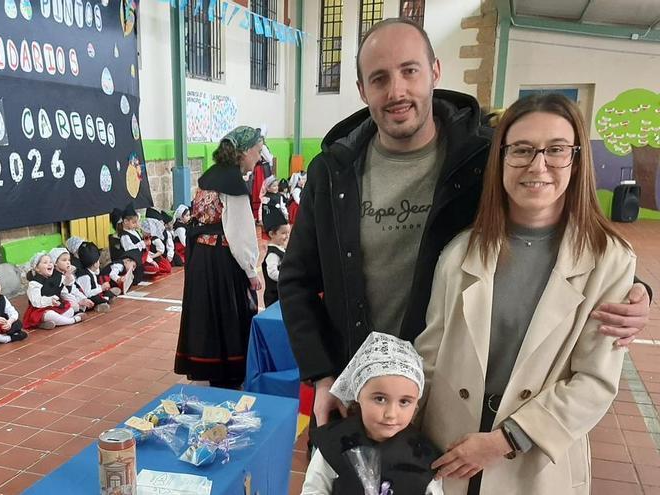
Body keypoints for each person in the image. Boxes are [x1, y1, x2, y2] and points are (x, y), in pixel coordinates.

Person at [279, 17, 651, 430]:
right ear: (362, 89)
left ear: (435, 72)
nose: (396, 91)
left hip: (444, 396)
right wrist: (323, 375)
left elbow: (553, 225)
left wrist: (633, 289)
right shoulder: (333, 171)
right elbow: (295, 279)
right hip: (357, 390)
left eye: (409, 71)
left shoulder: (484, 159)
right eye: (379, 78)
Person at [415, 94, 636, 495]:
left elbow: (594, 382)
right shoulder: (460, 253)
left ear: (577, 160)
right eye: (521, 149)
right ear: (501, 159)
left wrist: (505, 440)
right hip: (449, 448)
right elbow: (428, 357)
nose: (537, 165)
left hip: (534, 460)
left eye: (556, 150)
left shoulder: (609, 261)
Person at [175, 125, 263, 389]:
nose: (259, 157)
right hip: (222, 261)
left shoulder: (210, 176)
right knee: (228, 314)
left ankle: (209, 369)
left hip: (201, 259)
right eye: (258, 150)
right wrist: (251, 271)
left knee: (206, 314)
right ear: (244, 152)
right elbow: (240, 232)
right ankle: (229, 373)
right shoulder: (233, 184)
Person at [303, 332, 442, 494]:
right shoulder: (333, 443)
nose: (391, 414)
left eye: (404, 402)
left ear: (415, 406)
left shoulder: (425, 456)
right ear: (358, 395)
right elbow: (314, 489)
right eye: (380, 399)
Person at [22, 253, 82, 329]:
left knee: (70, 310)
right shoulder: (34, 283)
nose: (49, 264)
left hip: (53, 307)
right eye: (45, 262)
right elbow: (36, 301)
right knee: (50, 314)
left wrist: (68, 275)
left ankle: (48, 323)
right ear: (37, 268)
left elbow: (64, 290)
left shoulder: (55, 278)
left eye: (50, 262)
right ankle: (72, 320)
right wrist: (50, 300)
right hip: (39, 309)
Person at [261, 205, 290, 308]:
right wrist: (286, 277)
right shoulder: (273, 254)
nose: (287, 236)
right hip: (275, 297)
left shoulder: (281, 248)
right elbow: (272, 272)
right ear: (272, 234)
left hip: (282, 293)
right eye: (283, 233)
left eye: (288, 232)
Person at [49, 247, 94, 313]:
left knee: (83, 302)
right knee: (73, 306)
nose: (68, 263)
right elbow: (63, 294)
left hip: (69, 298)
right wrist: (78, 301)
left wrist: (83, 298)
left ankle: (78, 311)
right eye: (64, 260)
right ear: (55, 263)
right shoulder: (56, 276)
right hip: (58, 301)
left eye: (69, 260)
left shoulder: (67, 274)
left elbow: (74, 289)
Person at [76, 241, 114, 312]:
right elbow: (88, 294)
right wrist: (101, 288)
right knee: (96, 298)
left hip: (95, 292)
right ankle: (100, 304)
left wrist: (102, 287)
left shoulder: (92, 272)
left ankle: (106, 298)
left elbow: (95, 285)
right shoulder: (85, 276)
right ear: (95, 263)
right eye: (98, 261)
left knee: (108, 293)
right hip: (87, 297)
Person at [142, 208, 174, 274]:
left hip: (158, 257)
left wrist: (170, 255)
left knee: (167, 266)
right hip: (147, 257)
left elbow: (166, 248)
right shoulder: (145, 237)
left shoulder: (157, 237)